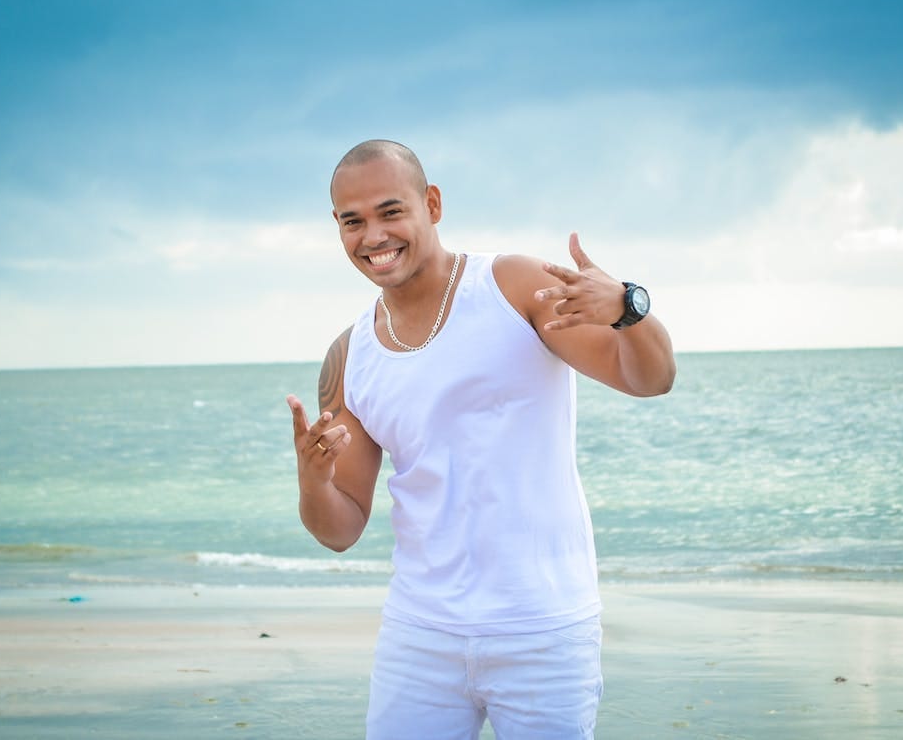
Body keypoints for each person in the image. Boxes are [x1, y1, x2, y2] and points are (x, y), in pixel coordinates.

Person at [286, 139, 675, 739]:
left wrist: (628, 310)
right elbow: (341, 528)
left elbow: (648, 379)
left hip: (543, 628)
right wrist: (312, 484)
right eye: (352, 221)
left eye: (391, 212)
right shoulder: (349, 356)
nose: (373, 236)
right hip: (419, 635)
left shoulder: (512, 286)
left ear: (432, 204)